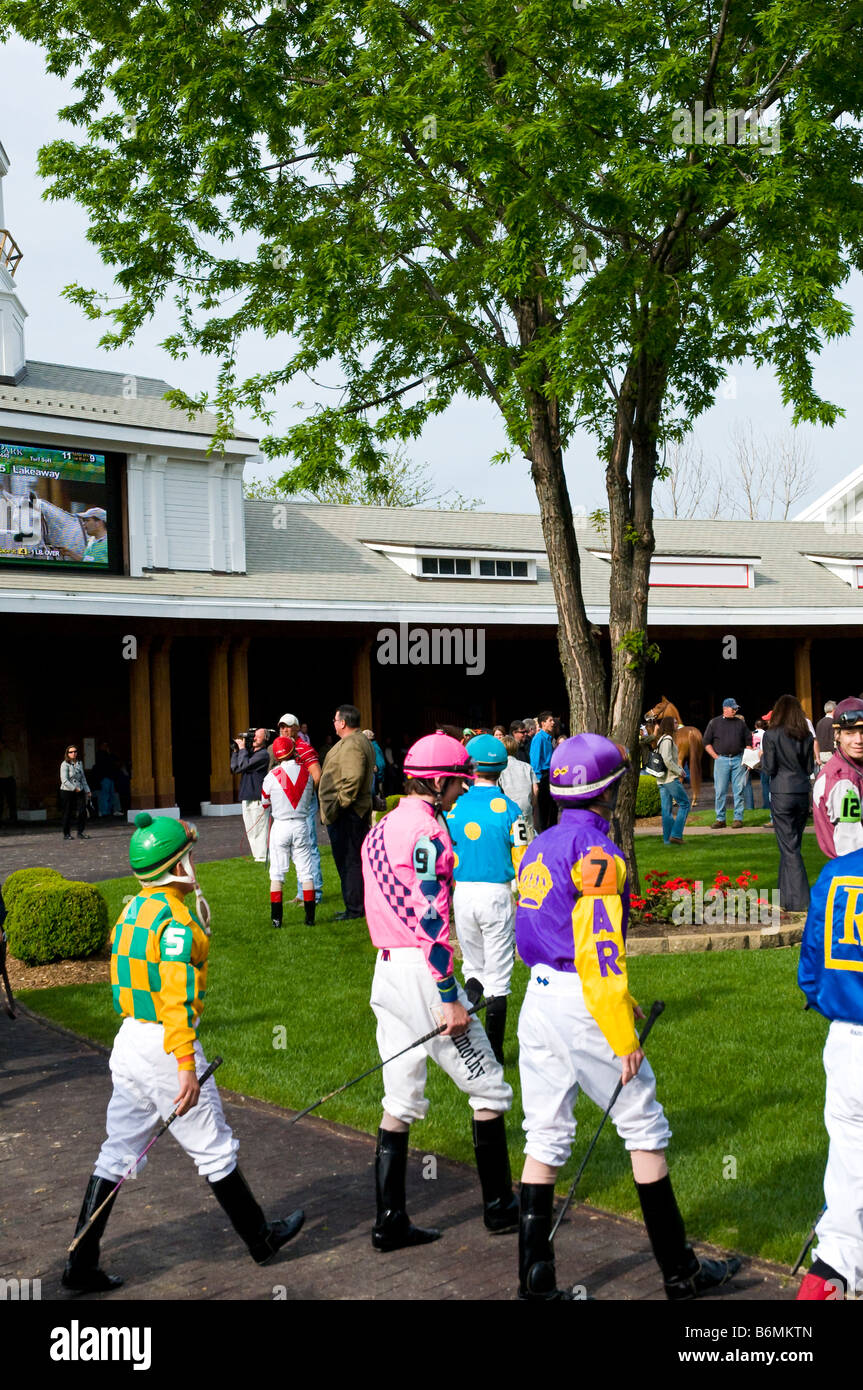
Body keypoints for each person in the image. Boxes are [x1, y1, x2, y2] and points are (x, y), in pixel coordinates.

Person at [513, 733, 741, 1301]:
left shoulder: (539, 844)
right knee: (644, 1125)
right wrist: (620, 1027)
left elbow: (536, 933)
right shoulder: (599, 854)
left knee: (543, 1137)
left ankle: (535, 1283)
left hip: (538, 999)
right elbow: (598, 948)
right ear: (611, 791)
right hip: (584, 1002)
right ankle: (679, 1274)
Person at [61, 813, 304, 1292]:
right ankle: (261, 1239)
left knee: (118, 1152)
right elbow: (175, 997)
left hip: (129, 1040)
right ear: (175, 867)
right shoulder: (174, 920)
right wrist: (186, 1066)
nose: (194, 865)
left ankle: (79, 1262)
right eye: (187, 858)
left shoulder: (134, 909)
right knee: (213, 1146)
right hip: (165, 1045)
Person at [361, 733, 517, 1250]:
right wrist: (449, 995)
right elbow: (431, 919)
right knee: (490, 1087)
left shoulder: (380, 828)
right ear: (442, 780)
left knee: (399, 1098)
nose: (459, 792)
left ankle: (389, 1220)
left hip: (385, 970)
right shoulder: (428, 832)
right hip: (424, 974)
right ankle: (499, 1207)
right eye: (457, 782)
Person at [796, 845, 863, 1299]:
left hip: (847, 1043)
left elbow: (810, 971)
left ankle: (829, 1278)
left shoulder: (838, 873)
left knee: (847, 1186)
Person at [445, 734, 529, 1063]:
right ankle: (494, 1052)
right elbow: (523, 859)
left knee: (474, 969)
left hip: (462, 894)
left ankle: (467, 1047)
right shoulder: (511, 809)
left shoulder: (454, 808)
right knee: (499, 976)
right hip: (497, 894)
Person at [319, 704, 376, 920]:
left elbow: (352, 780)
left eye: (335, 720)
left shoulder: (353, 744)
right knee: (352, 861)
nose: (333, 724)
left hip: (348, 814)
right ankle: (355, 906)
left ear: (343, 722)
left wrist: (337, 806)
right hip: (350, 812)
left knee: (349, 862)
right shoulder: (358, 740)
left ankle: (354, 909)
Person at [760, 694, 813, 912]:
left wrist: (761, 762)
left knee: (789, 848)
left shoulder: (771, 735)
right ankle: (784, 898)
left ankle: (802, 901)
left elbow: (770, 768)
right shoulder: (806, 736)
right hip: (801, 792)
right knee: (791, 845)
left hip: (782, 791)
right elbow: (810, 768)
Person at [261, 737, 318, 929]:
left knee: (277, 873)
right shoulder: (307, 774)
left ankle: (277, 920)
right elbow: (309, 796)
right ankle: (310, 919)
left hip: (281, 825)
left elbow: (264, 803)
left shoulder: (272, 776)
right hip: (301, 825)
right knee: (305, 871)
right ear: (293, 750)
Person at [277, 714, 323, 904]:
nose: (285, 730)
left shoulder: (303, 748)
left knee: (309, 846)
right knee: (298, 848)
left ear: (297, 728)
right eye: (282, 727)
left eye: (288, 727)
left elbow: (317, 774)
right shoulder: (283, 750)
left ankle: (315, 893)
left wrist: (303, 794)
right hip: (292, 804)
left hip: (304, 804)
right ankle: (301, 893)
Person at [813, 698, 863, 858]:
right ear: (837, 735)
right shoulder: (844, 781)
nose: (858, 740)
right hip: (854, 872)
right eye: (850, 733)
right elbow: (851, 846)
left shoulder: (850, 767)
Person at [703, 698, 751, 829]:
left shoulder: (740, 723)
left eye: (736, 708)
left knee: (739, 790)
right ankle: (720, 819)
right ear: (725, 709)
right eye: (733, 708)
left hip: (738, 760)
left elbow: (748, 741)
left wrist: (748, 759)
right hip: (721, 760)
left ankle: (738, 818)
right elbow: (706, 742)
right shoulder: (714, 723)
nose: (735, 710)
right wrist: (715, 757)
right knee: (720, 791)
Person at [230, 727, 271, 863]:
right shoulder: (249, 753)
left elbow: (244, 766)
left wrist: (242, 750)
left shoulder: (263, 755)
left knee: (260, 829)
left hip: (257, 798)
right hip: (246, 796)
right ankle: (257, 856)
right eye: (253, 736)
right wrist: (236, 751)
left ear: (265, 739)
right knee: (251, 829)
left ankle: (263, 856)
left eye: (257, 736)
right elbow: (235, 768)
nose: (254, 738)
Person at [654, 715, 690, 845]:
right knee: (685, 804)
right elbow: (667, 760)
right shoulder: (668, 740)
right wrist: (679, 770)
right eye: (675, 723)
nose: (677, 724)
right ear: (669, 725)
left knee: (666, 810)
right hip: (669, 779)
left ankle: (667, 840)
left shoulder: (661, 739)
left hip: (662, 780)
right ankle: (676, 834)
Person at [499, 733, 537, 841]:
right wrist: (531, 805)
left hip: (509, 809)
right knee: (529, 838)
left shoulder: (501, 769)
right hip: (526, 807)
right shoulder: (527, 766)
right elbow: (535, 789)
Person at [530, 711, 557, 832]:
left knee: (552, 808)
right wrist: (538, 781)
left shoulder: (549, 738)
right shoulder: (539, 739)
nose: (553, 722)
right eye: (550, 720)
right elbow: (535, 761)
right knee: (544, 809)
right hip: (543, 777)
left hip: (551, 776)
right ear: (543, 723)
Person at [60, 744, 91, 840]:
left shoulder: (79, 763)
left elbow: (83, 778)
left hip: (80, 789)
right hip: (68, 790)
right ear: (67, 754)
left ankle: (80, 832)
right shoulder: (65, 764)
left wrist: (87, 790)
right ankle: (66, 834)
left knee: (82, 811)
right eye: (71, 752)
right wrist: (74, 788)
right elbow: (64, 780)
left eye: (75, 751)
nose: (73, 753)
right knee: (68, 812)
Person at [0, 737, 18, 829]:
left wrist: (15, 777)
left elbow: (14, 766)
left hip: (8, 778)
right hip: (0, 779)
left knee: (11, 800)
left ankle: (13, 818)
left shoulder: (9, 754)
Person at [364, 729, 387, 799]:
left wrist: (378, 773)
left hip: (376, 777)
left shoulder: (374, 748)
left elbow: (381, 764)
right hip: (375, 777)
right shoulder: (370, 747)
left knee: (378, 796)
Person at [815, 701, 837, 766]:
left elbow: (816, 740)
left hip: (821, 754)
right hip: (831, 754)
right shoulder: (833, 722)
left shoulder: (819, 722)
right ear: (834, 710)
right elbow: (834, 739)